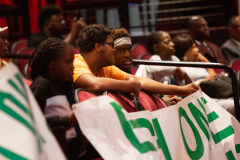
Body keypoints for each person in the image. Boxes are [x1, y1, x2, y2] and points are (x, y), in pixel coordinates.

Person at [73, 24, 199, 99]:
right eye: (112, 45)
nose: (113, 49)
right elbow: (96, 84)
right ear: (98, 47)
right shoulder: (77, 62)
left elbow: (140, 81)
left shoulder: (105, 68)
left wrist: (181, 90)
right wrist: (130, 85)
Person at [30, 38, 99, 160]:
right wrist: (66, 120)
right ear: (51, 64)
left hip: (71, 143)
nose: (72, 67)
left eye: (72, 62)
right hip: (55, 147)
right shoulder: (41, 86)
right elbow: (32, 123)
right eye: (67, 63)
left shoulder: (65, 84)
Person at [111, 28, 182, 106]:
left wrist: (161, 101)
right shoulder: (109, 75)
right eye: (121, 51)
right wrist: (161, 102)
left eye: (129, 49)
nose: (127, 54)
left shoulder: (126, 70)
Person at [173, 34, 235, 115]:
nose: (197, 50)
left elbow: (213, 77)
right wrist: (203, 81)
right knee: (235, 104)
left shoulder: (197, 64)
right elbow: (183, 88)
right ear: (184, 51)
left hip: (215, 94)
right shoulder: (179, 69)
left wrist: (206, 61)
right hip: (202, 100)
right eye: (193, 47)